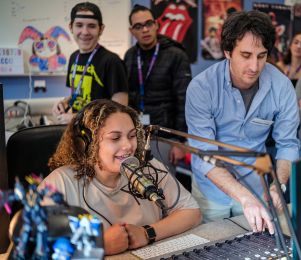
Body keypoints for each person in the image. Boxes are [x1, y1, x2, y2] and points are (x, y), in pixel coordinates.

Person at [185, 10, 299, 234]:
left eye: (261, 56)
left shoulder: (282, 86)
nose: (255, 67)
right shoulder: (202, 88)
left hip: (257, 186)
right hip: (211, 190)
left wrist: (279, 185)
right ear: (228, 52)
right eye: (246, 55)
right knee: (211, 247)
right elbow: (204, 155)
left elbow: (288, 144)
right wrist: (244, 197)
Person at [40, 99, 201, 255]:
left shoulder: (149, 168)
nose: (128, 146)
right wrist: (99, 244)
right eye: (115, 138)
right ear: (86, 143)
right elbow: (37, 245)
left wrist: (147, 233)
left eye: (132, 136)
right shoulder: (60, 184)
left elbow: (192, 212)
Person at [124, 4, 192, 169]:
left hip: (166, 137)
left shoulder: (176, 55)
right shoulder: (130, 56)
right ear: (132, 31)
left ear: (156, 25)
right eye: (138, 26)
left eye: (148, 24)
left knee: (165, 188)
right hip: (137, 135)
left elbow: (184, 100)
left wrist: (180, 141)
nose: (145, 30)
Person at [52, 2, 129, 124]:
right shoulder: (73, 58)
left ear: (101, 29)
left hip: (102, 137)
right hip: (78, 132)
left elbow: (119, 110)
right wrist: (64, 102)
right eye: (79, 25)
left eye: (92, 26)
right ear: (71, 27)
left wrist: (77, 118)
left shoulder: (112, 61)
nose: (85, 32)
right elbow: (77, 95)